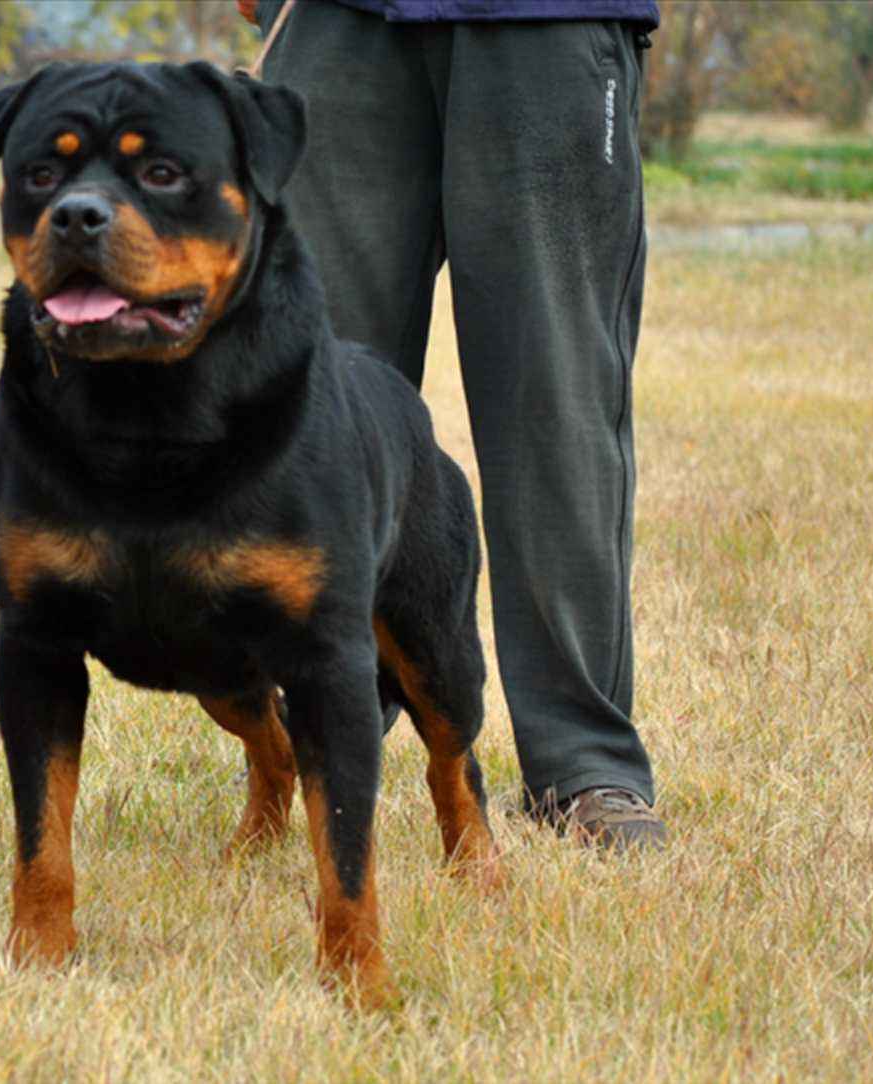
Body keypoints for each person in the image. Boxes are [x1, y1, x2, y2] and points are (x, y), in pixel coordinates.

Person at [239, 0, 668, 849]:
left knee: (555, 406)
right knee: (313, 404)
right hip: (338, 16)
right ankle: (317, 743)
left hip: (550, 18)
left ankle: (583, 763)